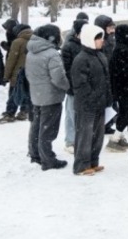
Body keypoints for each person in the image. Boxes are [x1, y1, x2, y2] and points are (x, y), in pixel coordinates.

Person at [26, 25, 70, 170]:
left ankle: (35, 153)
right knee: (48, 129)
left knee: (37, 126)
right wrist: (67, 86)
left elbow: (28, 73)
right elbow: (58, 78)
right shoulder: (51, 54)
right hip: (51, 96)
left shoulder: (31, 51)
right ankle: (48, 159)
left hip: (37, 94)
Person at [71, 24, 113, 176]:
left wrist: (108, 98)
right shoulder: (81, 59)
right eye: (98, 38)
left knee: (97, 135)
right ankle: (81, 165)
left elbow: (106, 80)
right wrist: (92, 97)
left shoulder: (100, 55)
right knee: (85, 135)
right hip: (86, 105)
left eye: (101, 37)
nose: (102, 41)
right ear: (89, 39)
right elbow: (80, 84)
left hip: (100, 103)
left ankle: (93, 162)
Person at [105, 23, 128, 152]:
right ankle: (115, 139)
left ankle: (119, 136)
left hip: (126, 87)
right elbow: (122, 70)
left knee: (127, 112)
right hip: (123, 88)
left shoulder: (125, 47)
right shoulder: (121, 49)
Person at [61, 18, 87, 153]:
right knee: (72, 114)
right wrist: (71, 85)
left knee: (79, 115)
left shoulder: (87, 44)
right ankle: (70, 141)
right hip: (73, 87)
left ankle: (80, 139)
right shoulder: (69, 46)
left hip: (84, 86)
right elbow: (65, 68)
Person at [0, 23, 33, 123]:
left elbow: (11, 60)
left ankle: (10, 113)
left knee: (14, 93)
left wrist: (6, 76)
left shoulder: (17, 42)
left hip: (18, 73)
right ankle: (24, 111)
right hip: (31, 72)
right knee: (27, 93)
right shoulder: (36, 40)